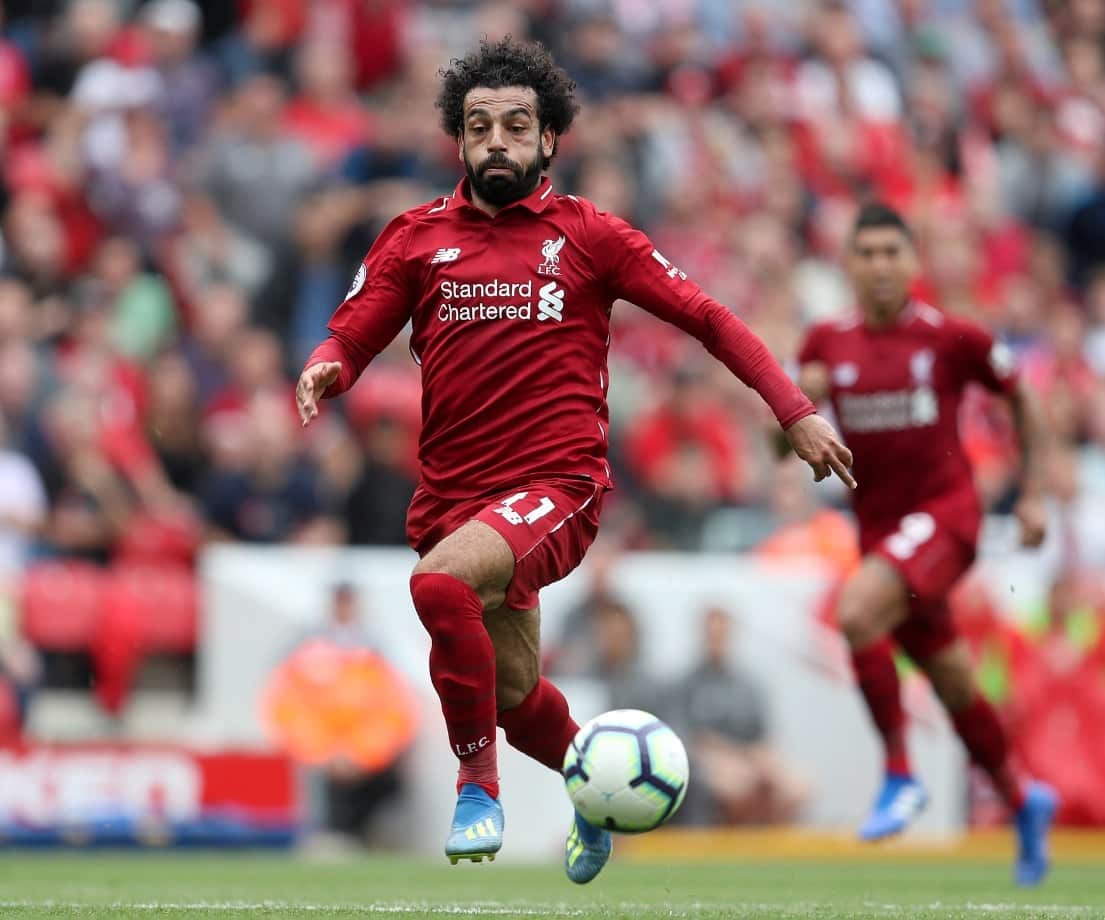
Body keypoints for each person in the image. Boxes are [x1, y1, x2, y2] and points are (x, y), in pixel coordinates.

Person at [297, 37, 852, 883]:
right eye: (478, 125)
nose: (496, 141)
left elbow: (706, 317)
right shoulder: (415, 239)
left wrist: (795, 411)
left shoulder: (589, 235)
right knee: (517, 700)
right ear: (457, 140)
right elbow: (357, 325)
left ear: (549, 138)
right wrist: (328, 363)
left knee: (439, 585)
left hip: (556, 488)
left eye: (516, 125)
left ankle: (476, 791)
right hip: (453, 498)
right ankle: (591, 797)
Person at [795, 202, 1057, 885]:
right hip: (883, 533)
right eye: (867, 254)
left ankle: (900, 775)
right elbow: (782, 439)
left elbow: (1021, 397)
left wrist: (1031, 494)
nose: (880, 266)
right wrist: (799, 404)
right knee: (952, 682)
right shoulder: (824, 344)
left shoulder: (951, 338)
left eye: (891, 253)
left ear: (911, 262)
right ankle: (1022, 797)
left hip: (946, 515)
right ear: (847, 264)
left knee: (855, 614)